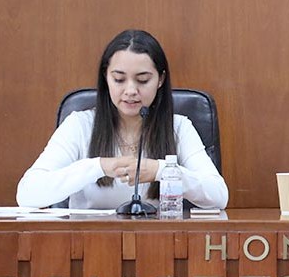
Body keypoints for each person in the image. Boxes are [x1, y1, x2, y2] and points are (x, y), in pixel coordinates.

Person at [17, 29, 228, 210]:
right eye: (119, 79)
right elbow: (27, 194)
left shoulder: (178, 127)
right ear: (106, 77)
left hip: (157, 240)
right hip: (87, 241)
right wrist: (98, 167)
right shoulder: (80, 125)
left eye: (142, 80)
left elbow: (218, 196)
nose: (130, 90)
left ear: (160, 79)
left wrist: (161, 170)